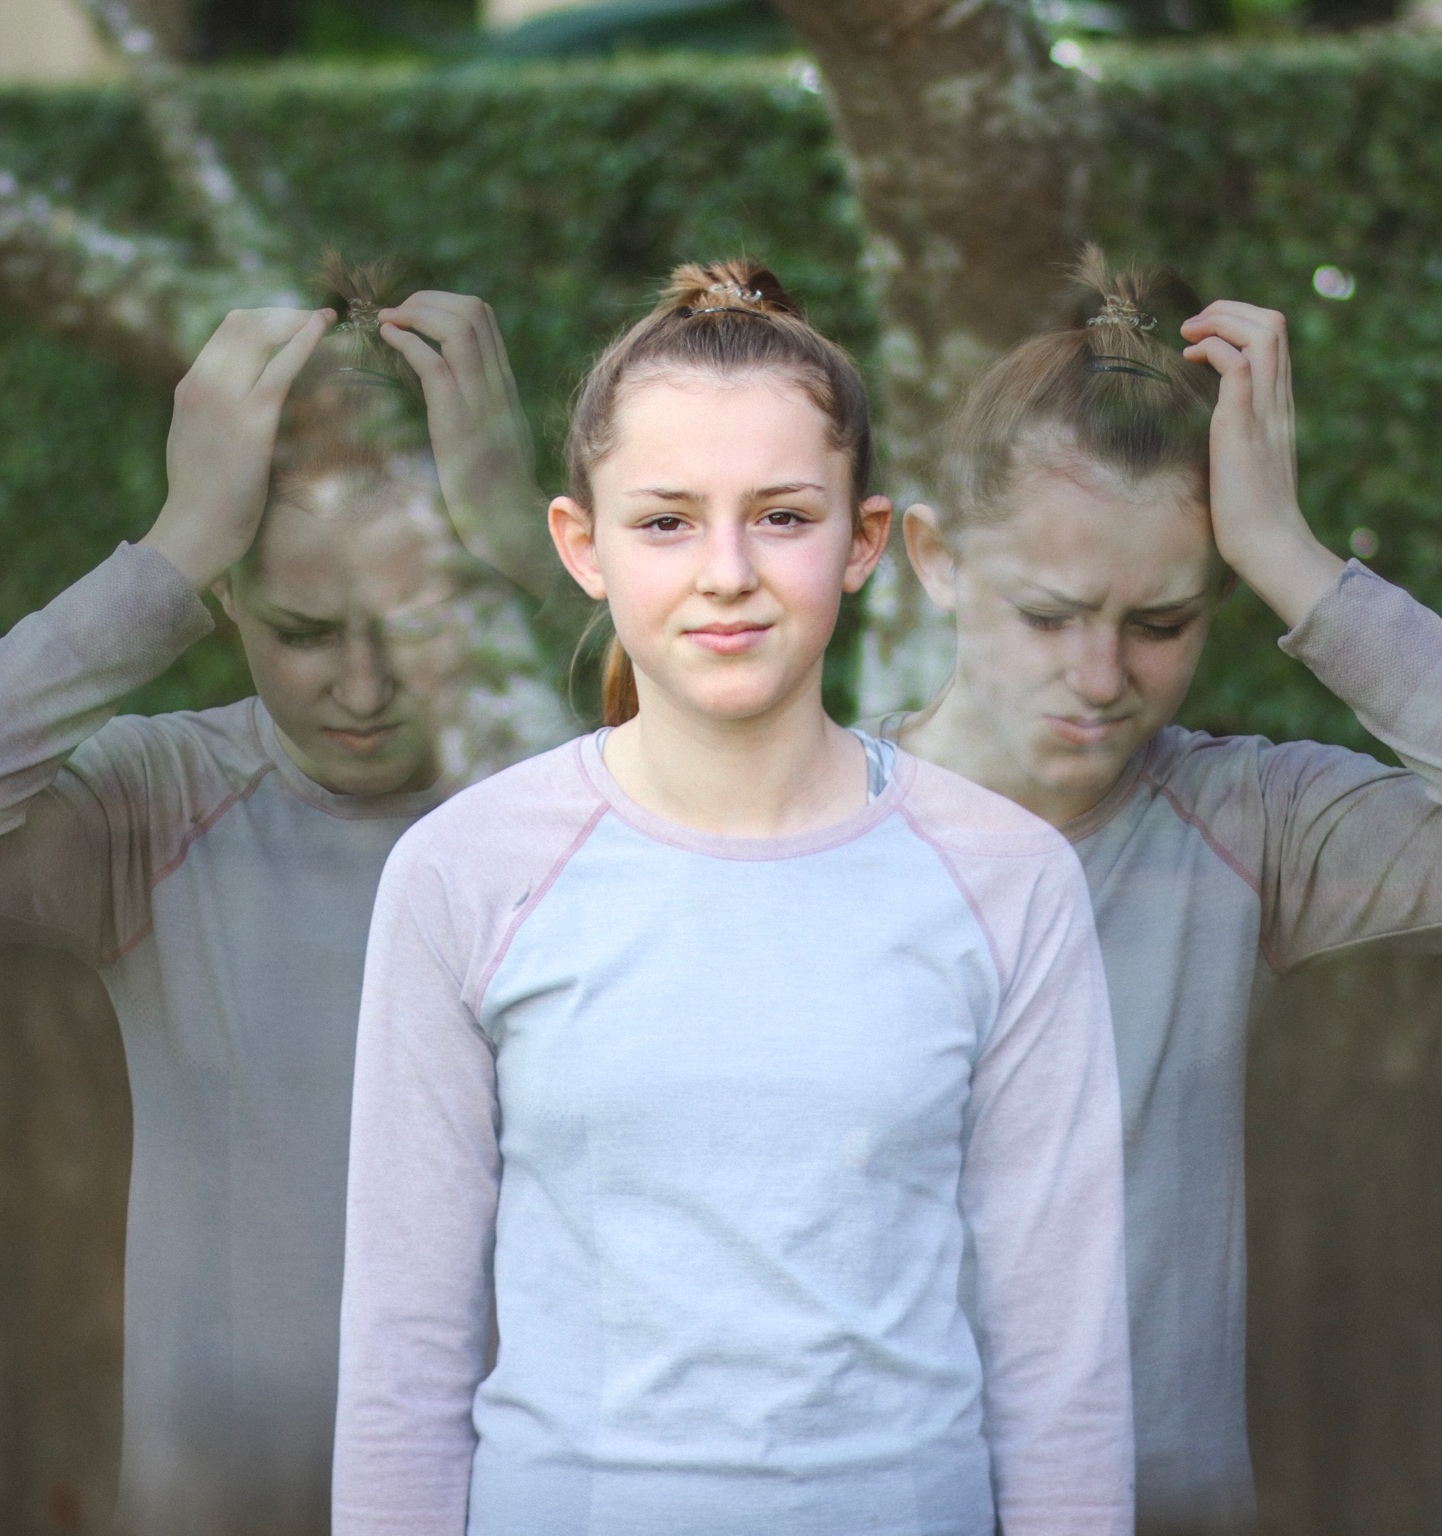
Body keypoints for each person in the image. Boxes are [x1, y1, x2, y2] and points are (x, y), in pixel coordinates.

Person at [330, 261, 1135, 1536]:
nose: (726, 571)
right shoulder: (463, 871)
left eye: (781, 516)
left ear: (864, 541)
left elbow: (1065, 1378)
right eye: (664, 522)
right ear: (579, 547)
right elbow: (401, 1364)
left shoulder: (1010, 879)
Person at [883, 250, 1442, 1535]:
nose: (1099, 675)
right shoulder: (809, 822)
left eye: (1163, 622)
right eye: (1049, 612)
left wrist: (1291, 555)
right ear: (935, 558)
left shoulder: (1244, 821)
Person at [0, 274, 569, 1536]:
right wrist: (167, 552)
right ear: (225, 598)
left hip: (511, 1492)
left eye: (414, 618)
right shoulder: (170, 799)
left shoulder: (558, 797)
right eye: (307, 630)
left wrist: (532, 563)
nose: (368, 684)